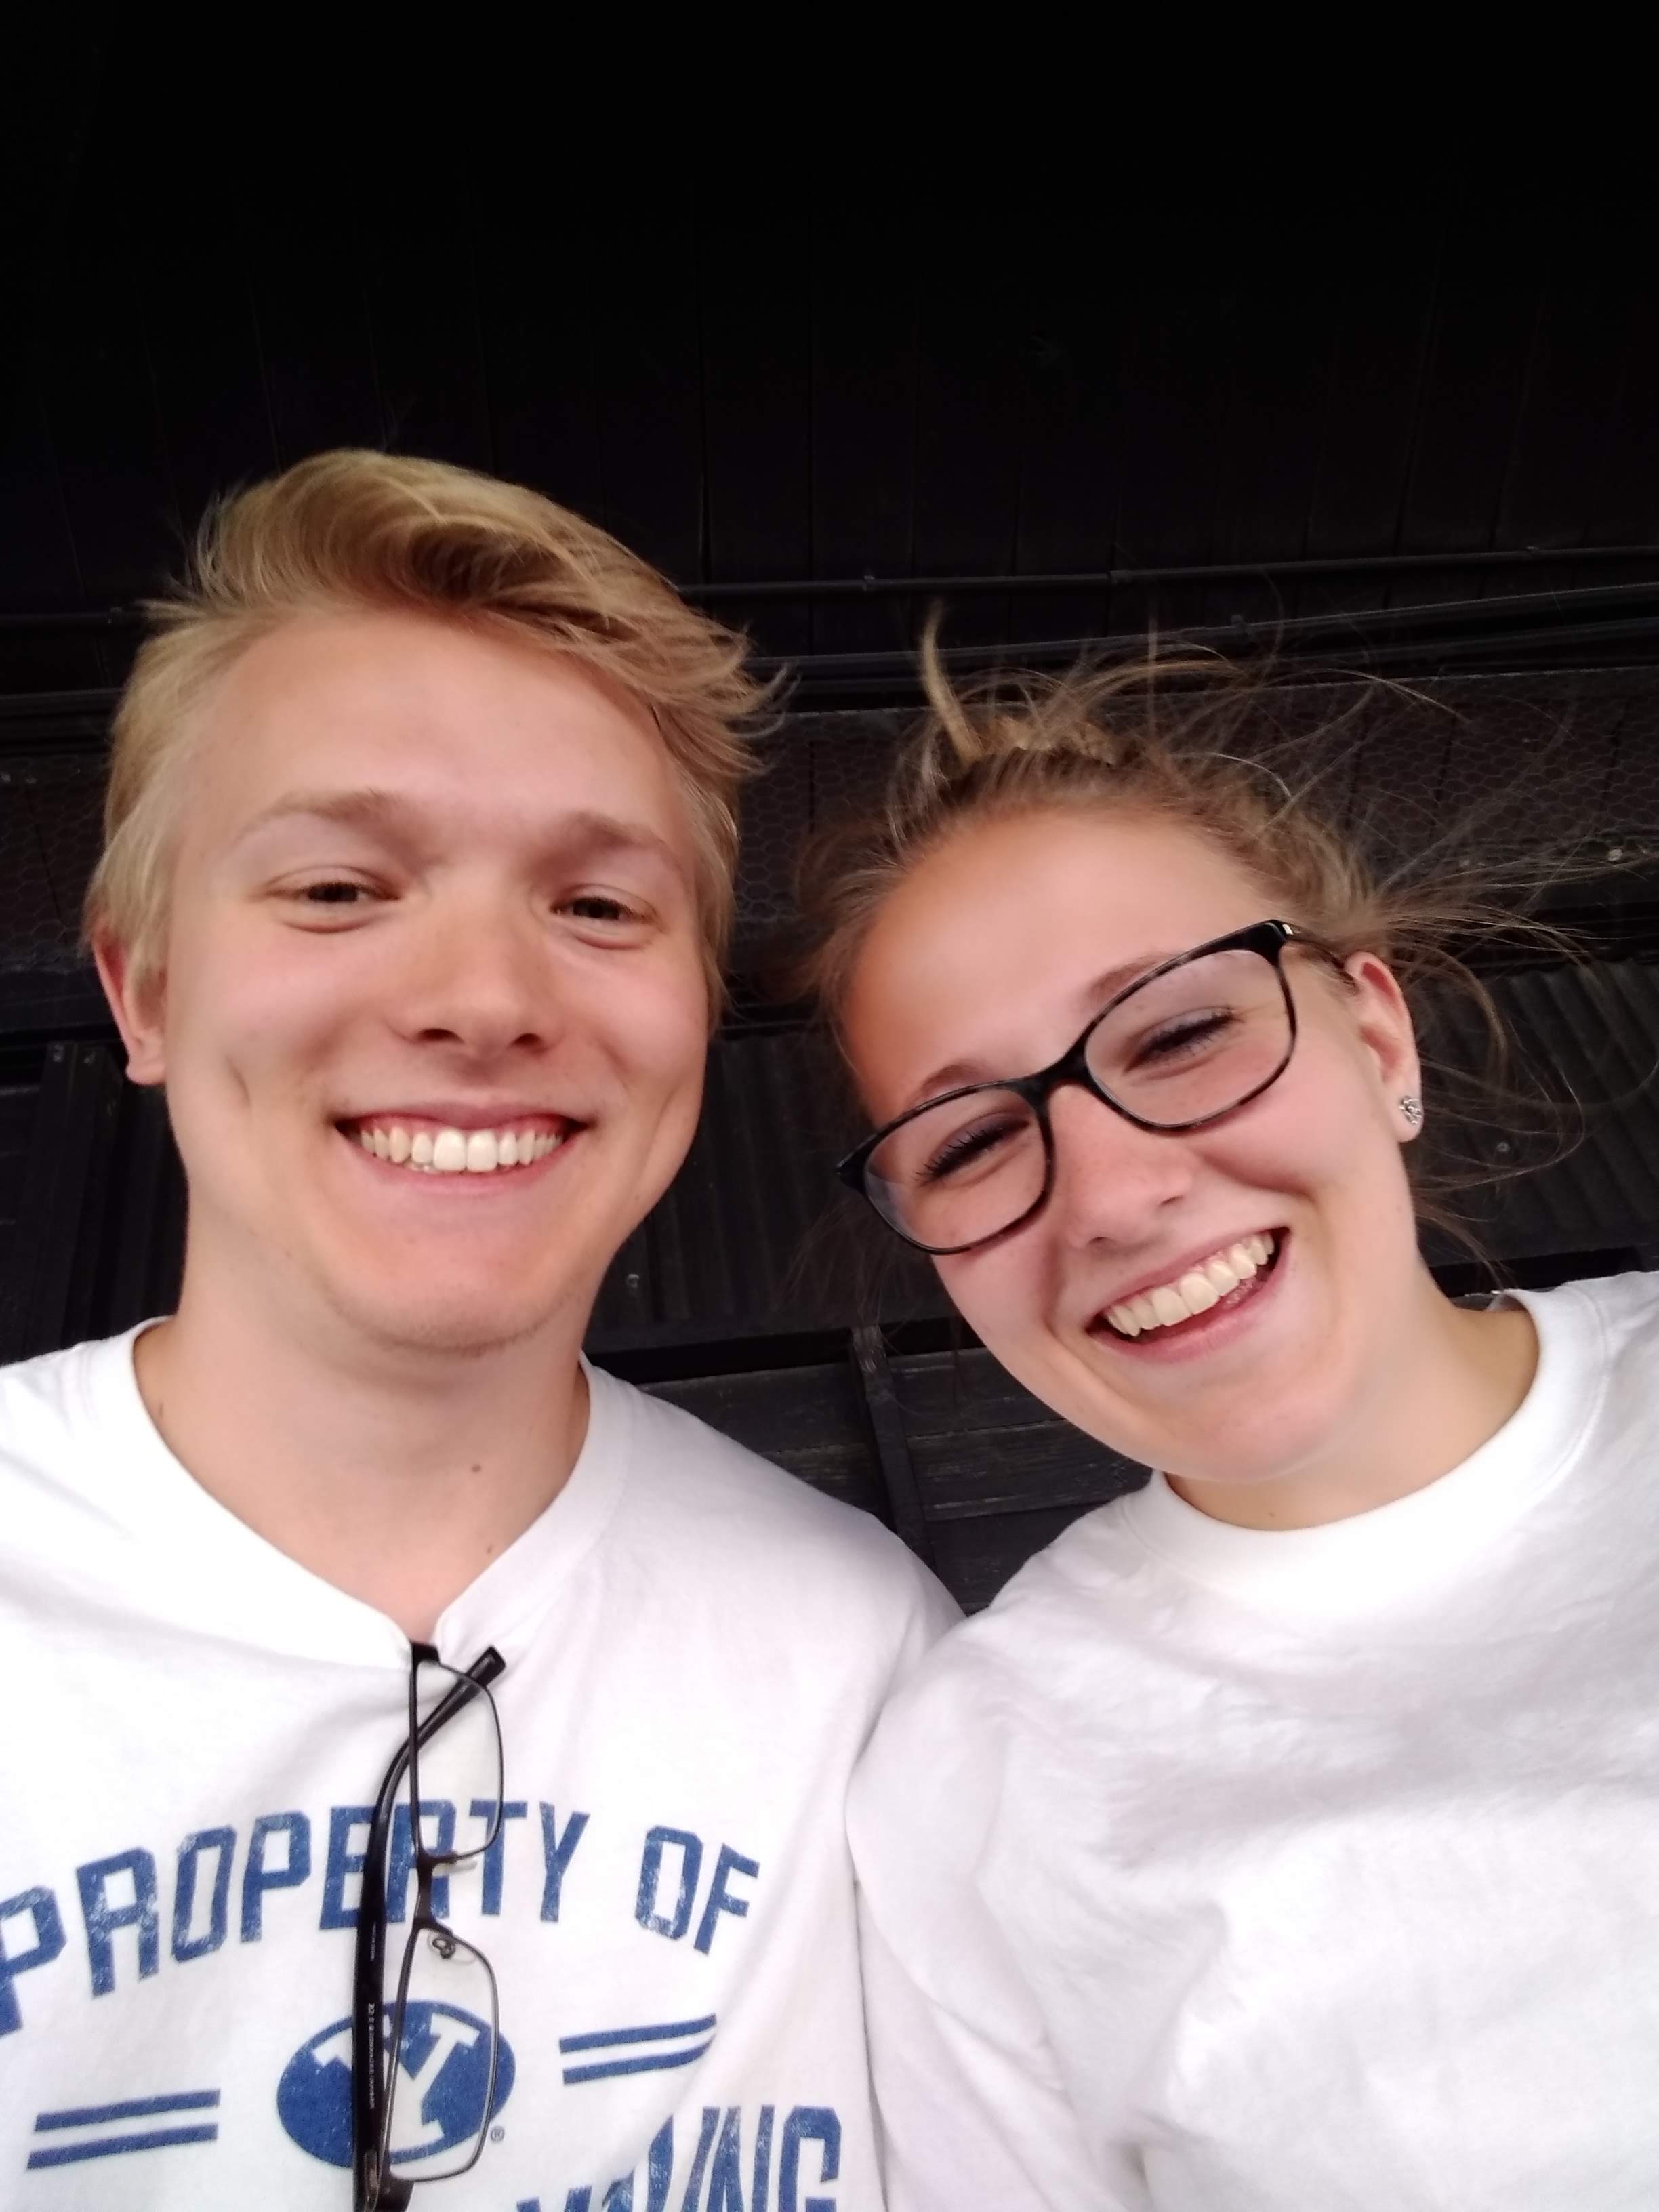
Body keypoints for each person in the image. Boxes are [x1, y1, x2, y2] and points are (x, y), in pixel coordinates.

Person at [0, 451, 955, 2211]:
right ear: (140, 986)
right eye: (338, 888)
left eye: (598, 906)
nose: (482, 1002)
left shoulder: (872, 1671)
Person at [796, 651, 1659, 2210]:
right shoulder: (976, 1785)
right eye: (979, 1136)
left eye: (1181, 1035)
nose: (1118, 1195)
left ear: (1378, 1043)